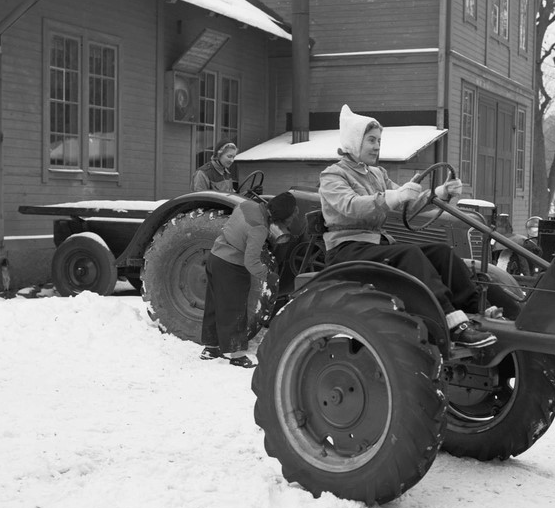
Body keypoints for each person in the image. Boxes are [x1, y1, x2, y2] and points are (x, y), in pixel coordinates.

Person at [318, 105, 495, 348]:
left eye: (379, 140)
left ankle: (477, 310)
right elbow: (350, 206)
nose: (377, 146)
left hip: (375, 245)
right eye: (371, 140)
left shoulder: (377, 174)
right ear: (353, 142)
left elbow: (406, 203)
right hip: (347, 249)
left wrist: (440, 192)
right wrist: (394, 196)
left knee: (442, 252)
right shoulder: (333, 176)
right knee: (410, 254)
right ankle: (450, 322)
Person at [200, 191, 298, 367]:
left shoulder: (246, 205)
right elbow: (251, 262)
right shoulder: (259, 229)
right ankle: (237, 355)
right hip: (231, 266)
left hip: (215, 257)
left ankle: (210, 348)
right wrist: (268, 275)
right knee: (235, 309)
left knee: (214, 304)